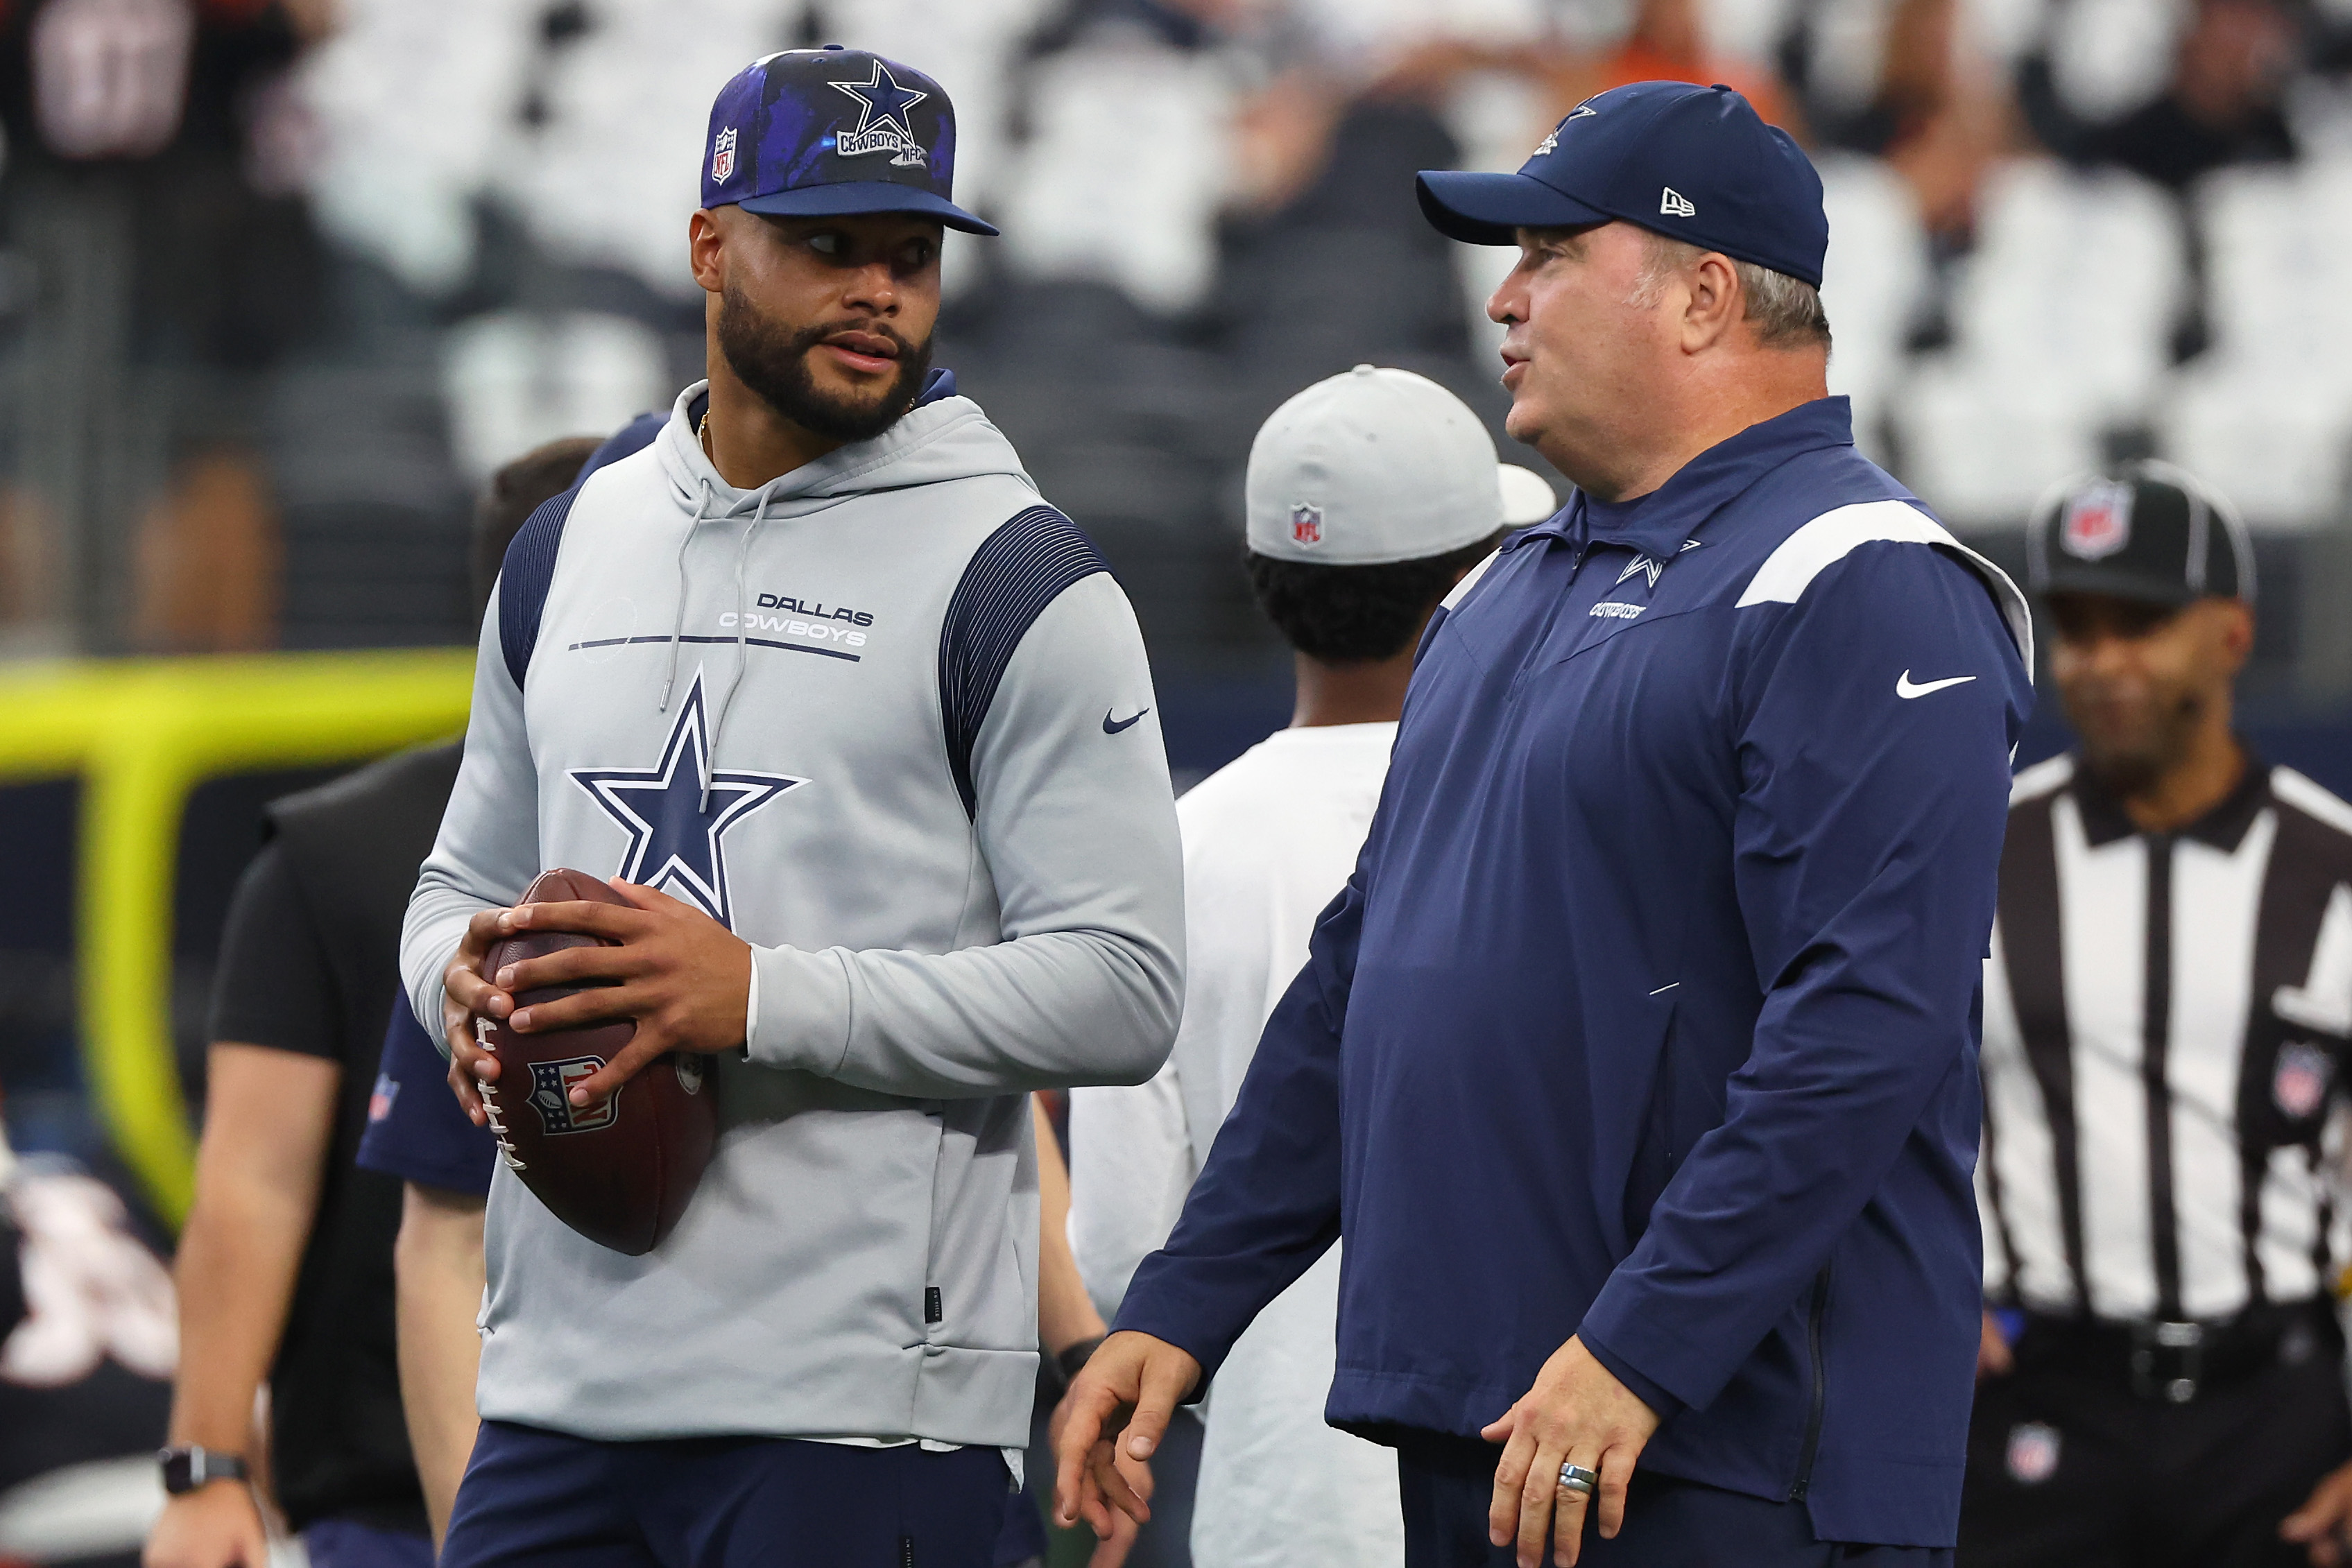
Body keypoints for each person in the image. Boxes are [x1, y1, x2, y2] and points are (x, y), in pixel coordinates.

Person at [1056, 78, 2035, 1568]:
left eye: (1552, 257)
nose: (1503, 300)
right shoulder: (1505, 586)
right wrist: (1186, 1298)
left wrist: (1641, 1347)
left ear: (1704, 297)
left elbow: (1865, 1029)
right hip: (1495, 1423)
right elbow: (1359, 979)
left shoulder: (1863, 575)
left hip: (1728, 1449)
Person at [400, 45, 1183, 1568]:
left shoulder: (1017, 575)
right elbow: (451, 889)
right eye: (827, 246)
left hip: (859, 1413)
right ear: (710, 246)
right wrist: (472, 983)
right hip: (557, 1394)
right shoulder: (567, 544)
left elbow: (1125, 987)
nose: (878, 290)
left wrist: (755, 995)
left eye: (909, 255)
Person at [1065, 364, 1554, 1568]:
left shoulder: (1172, 846)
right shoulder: (1555, 809)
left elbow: (1124, 1246)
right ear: (1472, 580)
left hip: (1273, 1497)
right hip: (1526, 1478)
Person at [139, 430, 613, 1568]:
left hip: (672, 1466)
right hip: (391, 1495)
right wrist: (207, 1465)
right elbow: (252, 1177)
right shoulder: (342, 855)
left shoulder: (746, 836)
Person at [1964, 462, 2352, 1568]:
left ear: (2231, 633)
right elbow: (1866, 1091)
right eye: (2077, 627)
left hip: (2270, 1410)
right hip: (2037, 1395)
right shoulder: (1978, 850)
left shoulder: (2335, 869)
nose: (2103, 661)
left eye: (2141, 623)